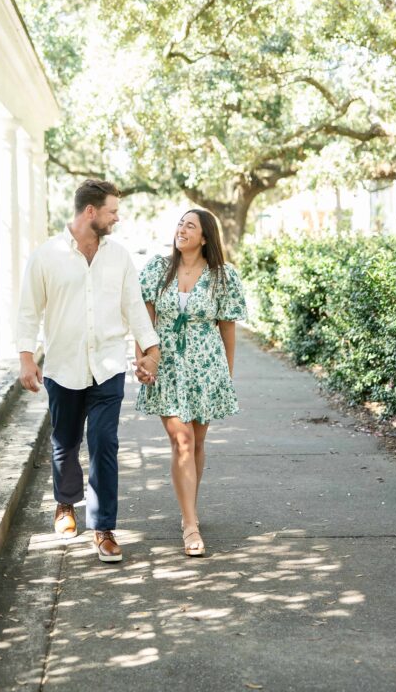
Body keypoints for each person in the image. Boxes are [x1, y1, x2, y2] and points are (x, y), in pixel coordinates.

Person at [17, 179, 160, 563]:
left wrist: (151, 349)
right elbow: (29, 311)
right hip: (63, 366)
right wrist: (27, 357)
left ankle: (103, 527)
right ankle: (65, 504)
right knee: (65, 442)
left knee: (104, 443)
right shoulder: (46, 256)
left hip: (108, 366)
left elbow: (133, 306)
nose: (118, 217)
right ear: (91, 212)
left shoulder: (120, 257)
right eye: (113, 210)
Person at [135, 209, 246, 557]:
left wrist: (226, 376)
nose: (181, 230)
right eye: (180, 224)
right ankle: (191, 525)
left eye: (190, 226)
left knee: (196, 442)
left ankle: (189, 511)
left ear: (205, 237)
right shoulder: (157, 268)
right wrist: (143, 360)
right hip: (167, 366)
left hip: (206, 368)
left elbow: (227, 328)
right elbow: (144, 320)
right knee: (181, 440)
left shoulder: (222, 276)